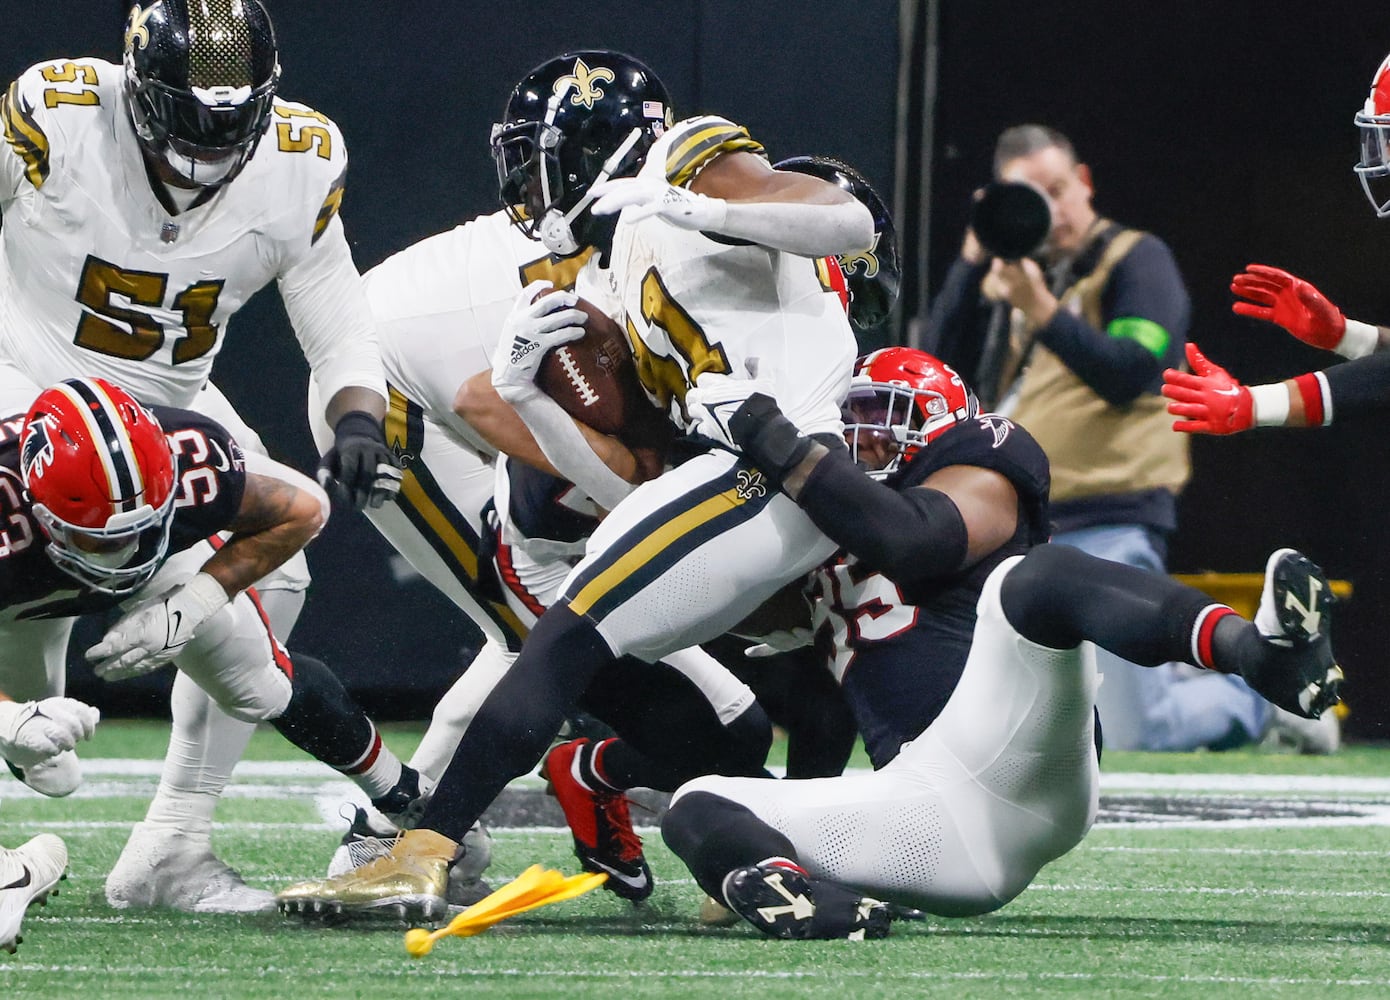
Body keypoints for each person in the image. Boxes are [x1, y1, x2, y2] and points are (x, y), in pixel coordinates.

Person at [270, 48, 876, 920]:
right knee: (561, 641)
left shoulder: (667, 215)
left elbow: (840, 227)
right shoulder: (615, 254)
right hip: (484, 434)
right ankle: (411, 839)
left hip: (742, 475)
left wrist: (689, 207)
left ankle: (810, 838)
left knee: (797, 660)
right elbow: (531, 424)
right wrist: (566, 432)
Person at [654, 347, 1343, 940]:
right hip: (925, 815)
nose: (864, 439)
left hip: (1013, 754)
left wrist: (773, 439)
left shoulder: (979, 466)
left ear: (943, 426)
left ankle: (1260, 654)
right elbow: (816, 709)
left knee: (1032, 582)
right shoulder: (819, 546)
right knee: (698, 802)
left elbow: (914, 544)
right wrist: (765, 843)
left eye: (887, 415)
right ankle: (797, 897)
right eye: (853, 420)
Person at [0, 0, 400, 906]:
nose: (211, 146)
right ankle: (26, 707)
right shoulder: (57, 117)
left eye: (233, 122)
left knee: (278, 581)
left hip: (168, 398)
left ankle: (173, 842)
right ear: (140, 91)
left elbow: (331, 299)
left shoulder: (299, 161)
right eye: (189, 119)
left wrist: (358, 420)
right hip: (23, 374)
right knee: (46, 575)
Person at [296, 205, 772, 905]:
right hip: (558, 549)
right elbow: (489, 399)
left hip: (610, 534)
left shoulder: (707, 326)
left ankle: (553, 789)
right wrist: (636, 474)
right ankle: (398, 839)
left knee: (733, 722)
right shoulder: (615, 309)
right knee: (691, 716)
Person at [0, 378, 423, 913]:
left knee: (254, 680)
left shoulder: (192, 456)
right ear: (39, 510)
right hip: (17, 601)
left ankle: (406, 795)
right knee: (34, 749)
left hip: (164, 558)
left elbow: (305, 508)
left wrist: (192, 603)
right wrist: (8, 719)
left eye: (138, 526)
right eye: (102, 539)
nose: (124, 549)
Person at [924, 124, 1274, 754]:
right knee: (1004, 732)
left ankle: (1258, 698)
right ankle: (1162, 676)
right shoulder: (1015, 278)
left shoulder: (1139, 259)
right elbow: (933, 370)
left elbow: (1134, 369)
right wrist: (976, 254)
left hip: (1110, 519)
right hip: (1020, 539)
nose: (1051, 211)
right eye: (1029, 198)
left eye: (1058, 190)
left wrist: (1044, 311)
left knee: (1138, 734)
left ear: (1083, 182)